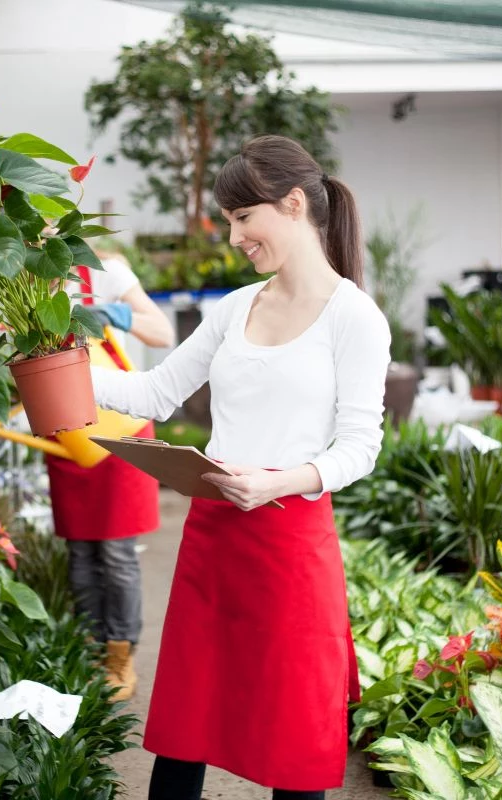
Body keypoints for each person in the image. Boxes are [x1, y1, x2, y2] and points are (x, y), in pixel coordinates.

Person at [90, 135, 391, 799]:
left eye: (241, 218)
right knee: (185, 725)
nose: (234, 238)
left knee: (295, 736)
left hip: (291, 543)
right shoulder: (234, 308)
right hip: (214, 539)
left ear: (290, 205)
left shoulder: (354, 317)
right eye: (229, 222)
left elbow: (359, 446)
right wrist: (60, 373)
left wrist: (279, 481)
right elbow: (154, 393)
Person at [44, 246, 174, 701]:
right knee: (81, 555)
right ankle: (90, 652)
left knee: (117, 555)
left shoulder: (102, 270)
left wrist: (113, 313)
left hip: (121, 425)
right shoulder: (15, 275)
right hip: (68, 431)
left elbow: (162, 331)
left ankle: (120, 657)